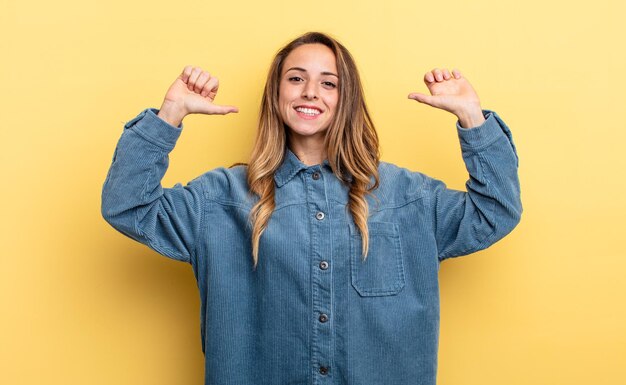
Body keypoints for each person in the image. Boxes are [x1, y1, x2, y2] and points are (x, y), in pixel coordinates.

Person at [102, 31, 521, 385]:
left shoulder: (408, 197)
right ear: (277, 93)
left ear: (347, 97)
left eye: (328, 83)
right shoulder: (219, 198)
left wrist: (472, 118)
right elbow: (128, 205)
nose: (309, 92)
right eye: (296, 78)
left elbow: (495, 211)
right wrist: (169, 114)